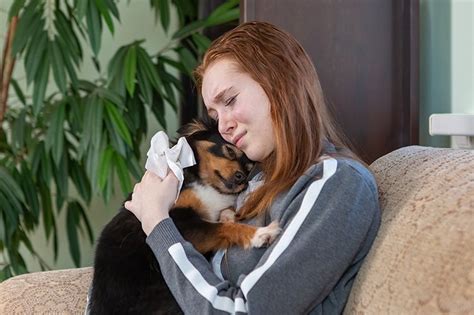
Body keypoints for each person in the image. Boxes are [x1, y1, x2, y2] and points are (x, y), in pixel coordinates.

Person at [125, 21, 381, 314]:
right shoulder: (257, 180)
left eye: (230, 101)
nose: (223, 126)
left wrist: (157, 224)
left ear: (278, 81)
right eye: (214, 114)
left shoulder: (336, 184)